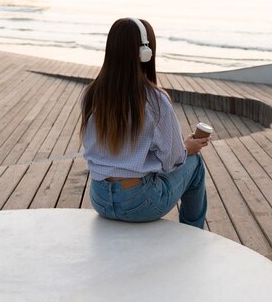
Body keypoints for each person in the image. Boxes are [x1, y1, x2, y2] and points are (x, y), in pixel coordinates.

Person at [81, 17, 210, 229]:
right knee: (194, 164)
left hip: (100, 198)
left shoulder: (91, 94)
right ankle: (194, 233)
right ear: (145, 53)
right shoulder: (155, 100)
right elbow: (173, 160)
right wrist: (186, 148)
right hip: (139, 204)